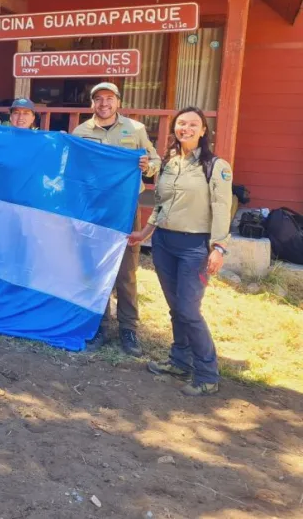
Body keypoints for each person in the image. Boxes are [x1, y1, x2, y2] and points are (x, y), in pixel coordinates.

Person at [127, 107, 232, 396]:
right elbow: (161, 204)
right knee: (176, 308)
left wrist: (219, 247)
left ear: (203, 131)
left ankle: (207, 374)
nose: (186, 128)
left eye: (193, 124)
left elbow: (223, 209)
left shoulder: (215, 165)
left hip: (194, 248)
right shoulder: (170, 162)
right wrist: (145, 233)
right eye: (181, 123)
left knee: (188, 310)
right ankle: (179, 360)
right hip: (163, 243)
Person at [73, 82, 161, 356]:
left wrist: (148, 166)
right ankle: (99, 324)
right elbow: (74, 166)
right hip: (94, 208)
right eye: (98, 99)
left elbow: (155, 159)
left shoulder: (135, 130)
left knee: (126, 270)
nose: (104, 103)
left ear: (118, 102)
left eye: (109, 98)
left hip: (125, 209)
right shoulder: (81, 131)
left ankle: (128, 329)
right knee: (94, 269)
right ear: (92, 104)